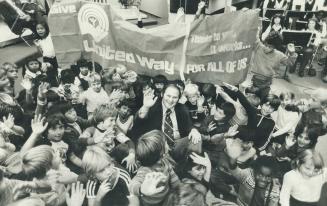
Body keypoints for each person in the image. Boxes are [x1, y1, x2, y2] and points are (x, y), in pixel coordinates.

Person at [130, 84, 202, 163]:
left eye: (174, 97)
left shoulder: (182, 109)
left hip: (176, 145)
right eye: (168, 96)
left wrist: (194, 130)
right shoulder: (152, 106)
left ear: (179, 98)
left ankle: (192, 167)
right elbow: (138, 124)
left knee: (196, 138)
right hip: (158, 146)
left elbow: (189, 125)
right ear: (162, 94)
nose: (171, 100)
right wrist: (145, 107)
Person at [130, 130, 180, 205]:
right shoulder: (145, 171)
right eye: (165, 142)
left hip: (166, 198)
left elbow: (174, 179)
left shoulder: (165, 161)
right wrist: (141, 189)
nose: (167, 143)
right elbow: (132, 185)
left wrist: (180, 188)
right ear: (160, 152)